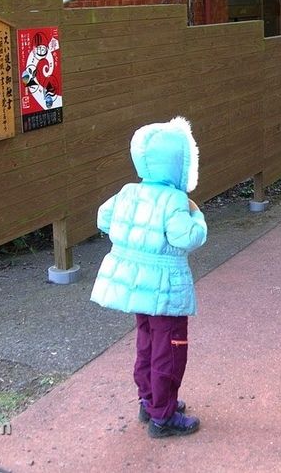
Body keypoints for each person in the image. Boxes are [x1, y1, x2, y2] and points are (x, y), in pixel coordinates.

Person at [91, 117, 207, 438]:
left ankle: (149, 401)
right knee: (169, 348)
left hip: (137, 287)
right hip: (166, 291)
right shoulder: (175, 201)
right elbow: (188, 238)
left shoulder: (129, 192)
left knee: (146, 342)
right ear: (179, 165)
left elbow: (104, 218)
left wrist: (131, 236)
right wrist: (195, 214)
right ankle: (163, 417)